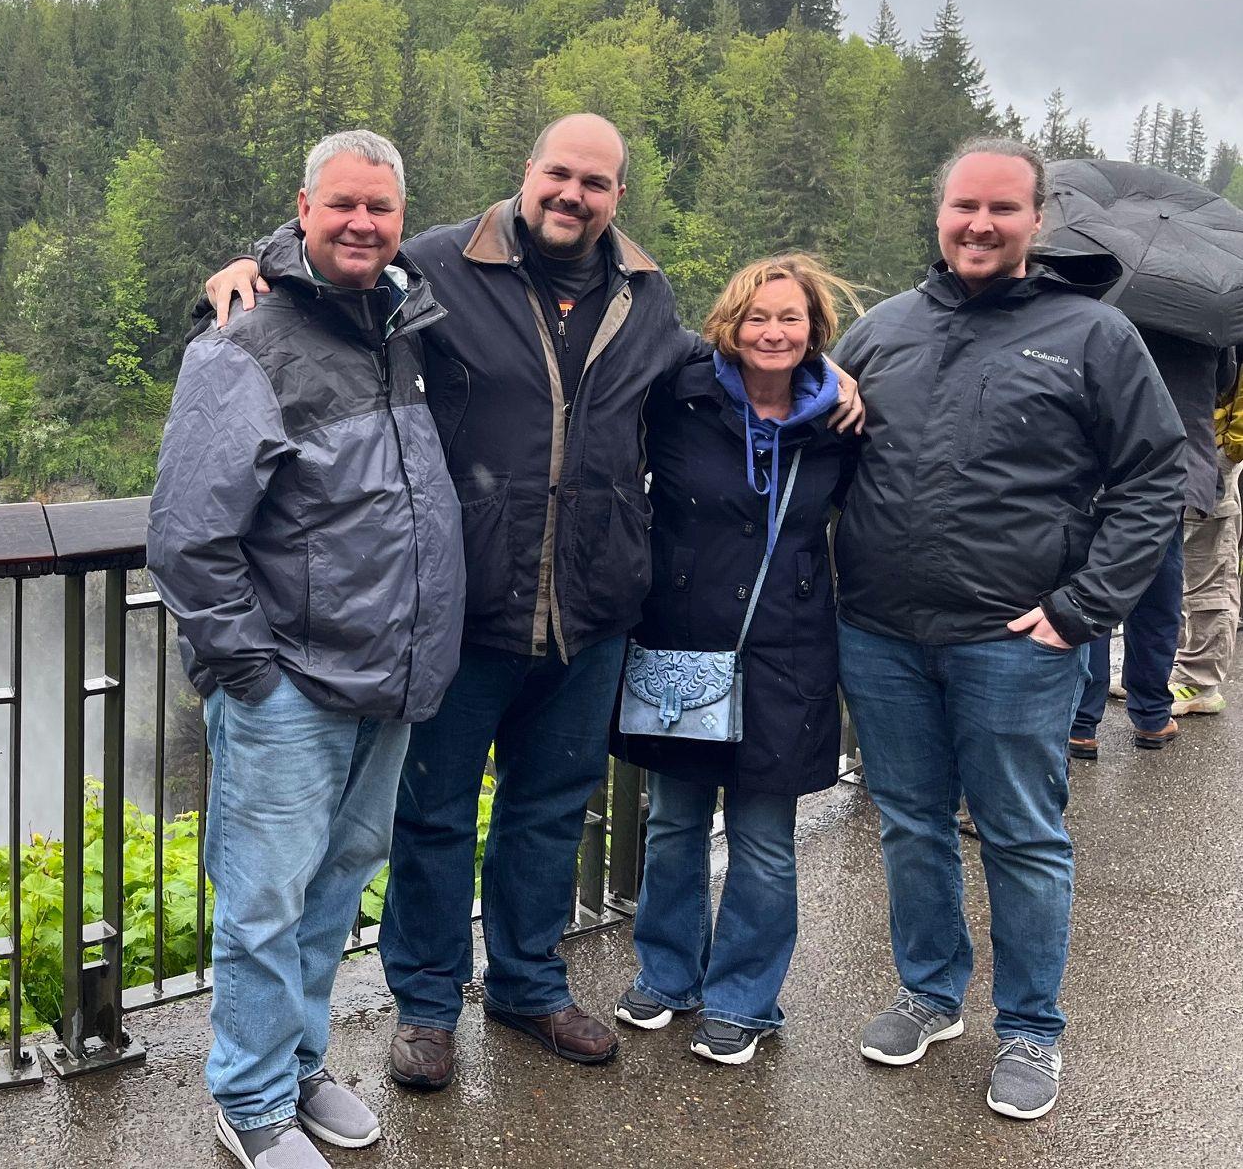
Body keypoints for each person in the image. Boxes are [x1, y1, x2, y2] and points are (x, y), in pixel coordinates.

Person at [202, 112, 867, 1092]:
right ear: (528, 174)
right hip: (461, 608)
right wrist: (248, 265)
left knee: (548, 811)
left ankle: (523, 984)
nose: (573, 195)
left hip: (592, 613)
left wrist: (819, 372)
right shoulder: (438, 264)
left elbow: (728, 363)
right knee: (432, 820)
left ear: (616, 197)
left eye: (595, 183)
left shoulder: (643, 295)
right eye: (560, 174)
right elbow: (337, 275)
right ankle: (427, 1007)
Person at [830, 137, 1185, 1122]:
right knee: (907, 823)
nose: (978, 224)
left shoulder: (1092, 335)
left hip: (1012, 641)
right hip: (880, 631)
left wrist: (1080, 609)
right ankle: (929, 992)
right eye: (961, 207)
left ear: (1036, 222)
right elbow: (825, 448)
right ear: (937, 215)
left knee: (1021, 837)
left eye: (1000, 209)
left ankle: (1029, 1028)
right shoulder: (883, 329)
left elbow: (1154, 476)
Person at [148, 130, 466, 1169]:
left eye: (380, 208)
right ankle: (245, 1098)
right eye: (342, 206)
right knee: (263, 900)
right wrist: (251, 671)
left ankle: (295, 1069)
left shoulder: (405, 329)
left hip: (388, 675)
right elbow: (189, 535)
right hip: (288, 682)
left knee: (334, 888)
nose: (362, 224)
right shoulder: (242, 344)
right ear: (301, 209)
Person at [610, 254, 858, 1066]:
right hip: (682, 637)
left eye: (789, 318)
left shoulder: (840, 419)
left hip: (787, 648)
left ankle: (744, 998)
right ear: (729, 324)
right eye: (757, 317)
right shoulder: (678, 396)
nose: (772, 332)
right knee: (673, 821)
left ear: (814, 330)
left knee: (762, 834)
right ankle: (666, 974)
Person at [1068, 333, 1235, 755]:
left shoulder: (1104, 320)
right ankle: (1152, 715)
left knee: (1093, 592)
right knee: (1157, 597)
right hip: (1174, 471)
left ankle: (1081, 722)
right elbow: (1223, 381)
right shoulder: (1205, 318)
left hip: (1104, 468)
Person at [1171, 361, 1243, 715]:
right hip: (1186, 445)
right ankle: (1164, 667)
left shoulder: (1225, 314)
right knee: (1174, 570)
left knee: (1208, 573)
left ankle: (1199, 680)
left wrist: (1229, 454)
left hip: (1210, 451)